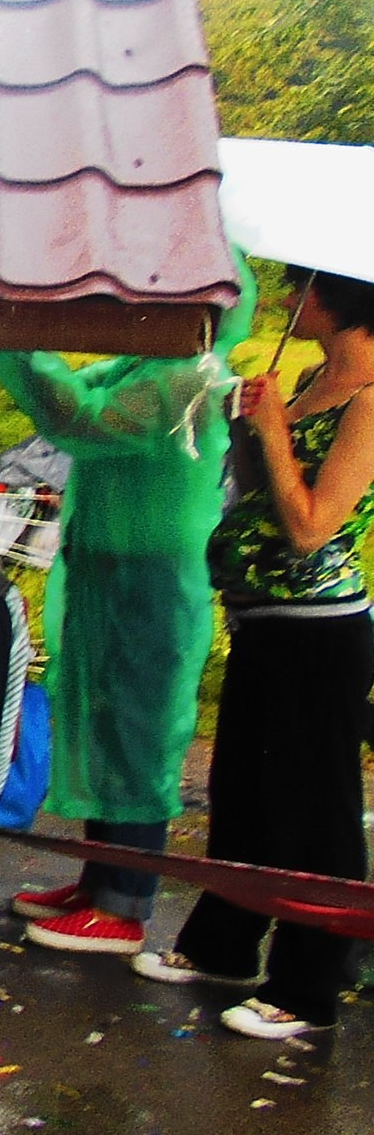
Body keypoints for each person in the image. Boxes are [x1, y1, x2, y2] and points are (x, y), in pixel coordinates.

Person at [0, 266, 256, 956]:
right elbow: (78, 392)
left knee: (136, 741)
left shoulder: (187, 376)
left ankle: (125, 907)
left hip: (152, 586)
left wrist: (10, 336)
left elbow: (82, 417)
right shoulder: (148, 361)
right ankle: (99, 882)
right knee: (101, 728)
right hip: (111, 577)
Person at [137, 268, 374, 1040]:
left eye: (300, 289)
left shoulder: (370, 401)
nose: (288, 302)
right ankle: (224, 944)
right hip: (263, 622)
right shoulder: (308, 382)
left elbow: (312, 528)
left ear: (338, 302)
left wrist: (275, 434)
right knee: (243, 790)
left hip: (321, 633)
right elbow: (261, 494)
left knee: (317, 809)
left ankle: (308, 987)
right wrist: (250, 430)